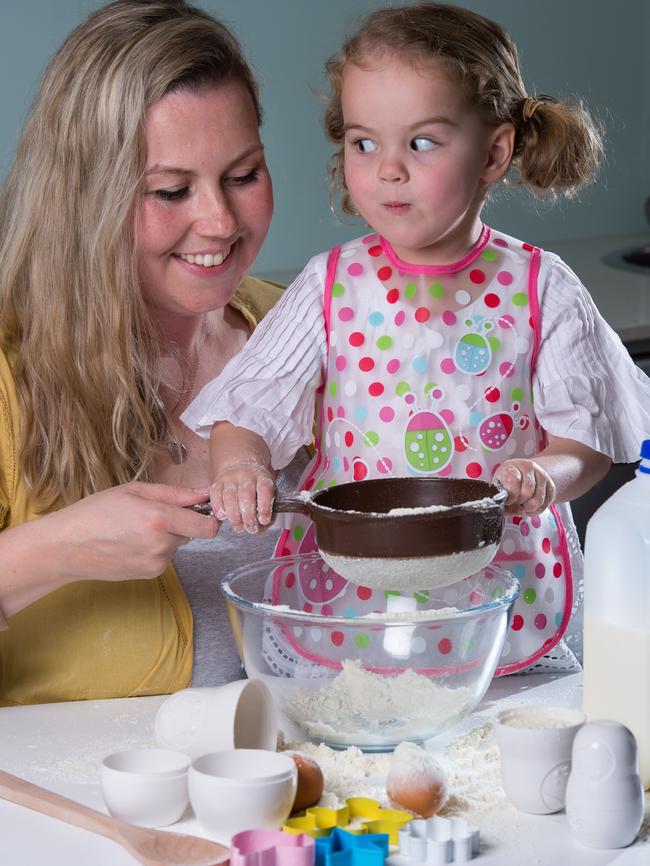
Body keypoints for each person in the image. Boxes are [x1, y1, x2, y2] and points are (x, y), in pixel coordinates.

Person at [183, 2, 650, 676]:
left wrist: (546, 476)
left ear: (494, 152)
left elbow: (589, 443)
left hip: (503, 598)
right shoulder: (329, 286)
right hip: (352, 595)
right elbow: (245, 415)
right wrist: (240, 467)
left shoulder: (542, 288)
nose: (387, 169)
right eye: (363, 142)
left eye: (421, 142)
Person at [0, 0, 307, 706]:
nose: (220, 222)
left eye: (244, 174)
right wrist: (54, 550)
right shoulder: (9, 377)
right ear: (86, 198)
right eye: (171, 190)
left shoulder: (298, 327)